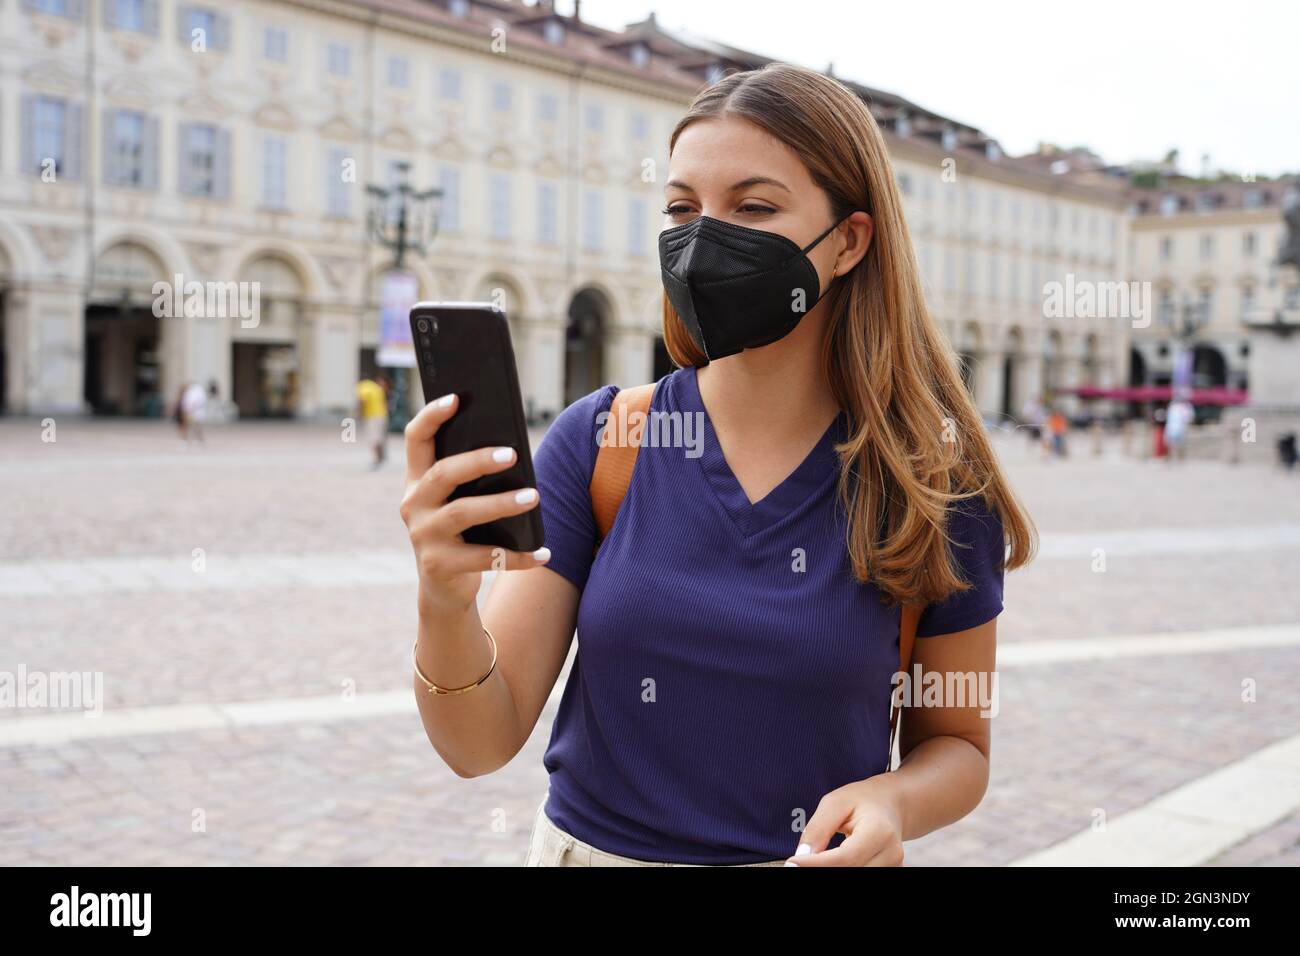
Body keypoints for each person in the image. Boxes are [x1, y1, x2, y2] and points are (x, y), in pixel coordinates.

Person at [400, 62, 1036, 867]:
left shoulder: (936, 483)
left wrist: (894, 799)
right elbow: (477, 743)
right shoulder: (600, 444)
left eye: (754, 206)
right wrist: (444, 602)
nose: (701, 238)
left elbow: (961, 748)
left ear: (849, 240)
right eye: (681, 208)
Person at [356, 374, 390, 468]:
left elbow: (363, 400)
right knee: (380, 436)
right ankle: (382, 457)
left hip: (372, 416)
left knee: (373, 437)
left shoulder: (363, 386)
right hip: (382, 415)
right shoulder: (376, 387)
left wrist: (359, 412)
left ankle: (377, 459)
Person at [1163, 396, 1194, 463]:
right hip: (1173, 427)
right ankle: (1174, 459)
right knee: (1171, 444)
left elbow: (1188, 419)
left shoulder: (1183, 407)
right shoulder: (1174, 407)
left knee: (1177, 444)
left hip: (1178, 427)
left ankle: (1178, 459)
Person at [180, 380, 208, 445]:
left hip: (194, 412)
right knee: (190, 426)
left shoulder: (195, 393)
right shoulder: (191, 393)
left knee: (196, 427)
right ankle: (187, 440)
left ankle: (196, 439)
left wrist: (190, 409)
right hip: (190, 412)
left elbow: (196, 402)